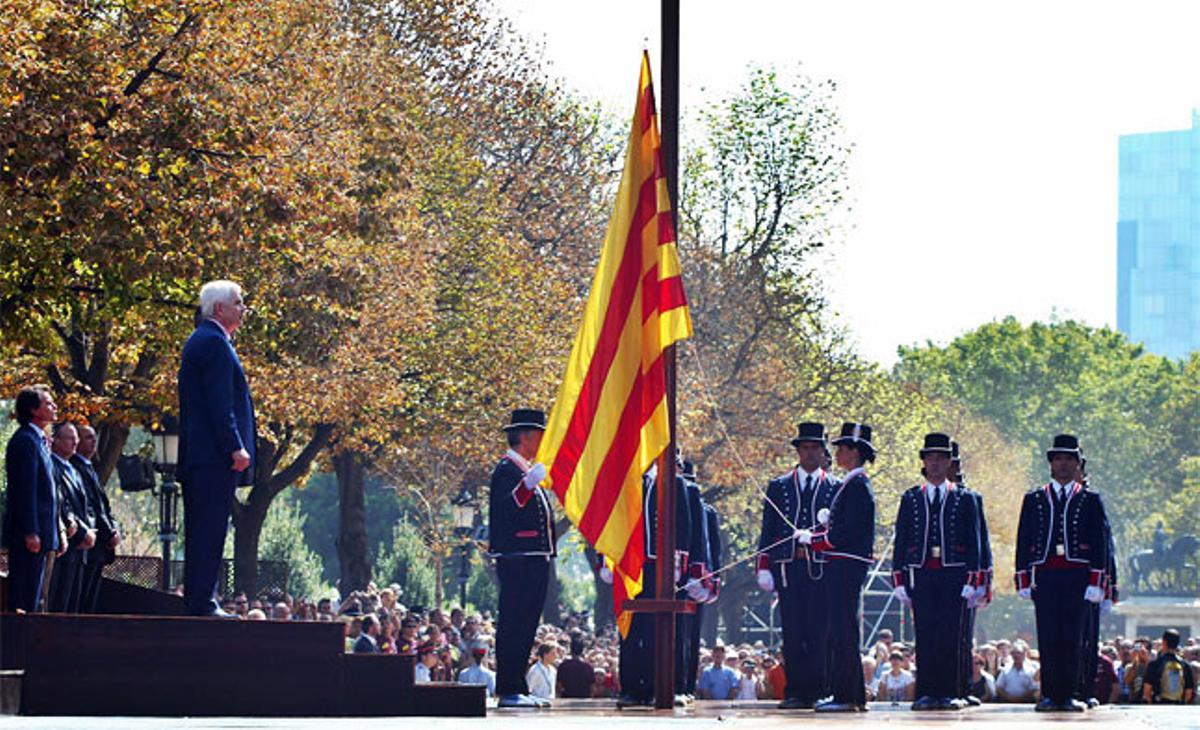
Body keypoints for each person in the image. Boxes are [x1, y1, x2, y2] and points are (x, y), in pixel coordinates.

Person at [1014, 434, 1110, 712]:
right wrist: (1022, 577)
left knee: (1072, 636)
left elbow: (1100, 544)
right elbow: (1023, 539)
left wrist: (1097, 581)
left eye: (1069, 459)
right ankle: (1050, 694)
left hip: (1077, 576)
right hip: (1045, 574)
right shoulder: (1034, 498)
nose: (1064, 464)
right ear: (1051, 464)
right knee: (1048, 636)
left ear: (1078, 463)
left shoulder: (1091, 499)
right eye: (1058, 459)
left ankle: (1068, 694)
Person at [178, 280, 256, 617]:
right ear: (219, 309)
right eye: (238, 303)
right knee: (209, 529)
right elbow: (220, 403)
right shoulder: (214, 344)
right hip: (213, 458)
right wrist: (235, 447)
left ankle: (199, 598)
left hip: (202, 456)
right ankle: (202, 602)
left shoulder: (203, 340)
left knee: (203, 529)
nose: (243, 309)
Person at [891, 433, 981, 711]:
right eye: (931, 458)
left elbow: (974, 541)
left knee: (951, 635)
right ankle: (926, 692)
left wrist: (972, 579)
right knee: (926, 634)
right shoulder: (911, 498)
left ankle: (950, 692)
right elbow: (902, 540)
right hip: (923, 574)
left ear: (949, 462)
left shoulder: (965, 498)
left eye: (941, 458)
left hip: (954, 574)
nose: (935, 463)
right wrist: (899, 579)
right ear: (924, 461)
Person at [755, 422, 840, 709]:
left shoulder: (835, 487)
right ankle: (795, 690)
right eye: (805, 447)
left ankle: (818, 689)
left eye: (815, 447)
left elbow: (839, 533)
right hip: (787, 568)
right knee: (792, 630)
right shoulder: (779, 486)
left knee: (819, 630)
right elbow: (768, 530)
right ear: (798, 451)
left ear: (823, 451)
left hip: (821, 569)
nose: (809, 453)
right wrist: (763, 565)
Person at [805, 422, 876, 713]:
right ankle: (850, 694)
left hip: (846, 565)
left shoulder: (858, 485)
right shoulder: (852, 483)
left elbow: (848, 531)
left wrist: (815, 539)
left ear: (856, 452)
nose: (838, 453)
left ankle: (846, 695)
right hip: (842, 565)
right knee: (841, 629)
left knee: (843, 630)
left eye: (844, 448)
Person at [487, 408, 556, 709]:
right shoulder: (507, 470)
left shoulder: (523, 471)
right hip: (518, 557)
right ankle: (508, 687)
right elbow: (506, 508)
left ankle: (517, 685)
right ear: (526, 437)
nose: (543, 441)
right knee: (514, 621)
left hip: (532, 558)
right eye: (540, 435)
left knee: (527, 623)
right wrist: (527, 485)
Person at [616, 459, 691, 707]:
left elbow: (683, 526)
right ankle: (630, 688)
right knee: (629, 628)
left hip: (661, 566)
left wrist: (679, 564)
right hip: (629, 566)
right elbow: (610, 522)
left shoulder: (673, 482)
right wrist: (604, 561)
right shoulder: (625, 480)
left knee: (655, 629)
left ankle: (653, 686)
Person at [3, 386, 60, 612]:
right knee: (23, 597)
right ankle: (17, 644)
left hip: (44, 533)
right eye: (48, 403)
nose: (54, 407)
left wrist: (55, 531)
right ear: (33, 410)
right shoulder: (25, 441)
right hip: (29, 536)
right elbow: (25, 491)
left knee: (36, 598)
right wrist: (31, 531)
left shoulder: (40, 442)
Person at [71, 423, 120, 613]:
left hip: (98, 547)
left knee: (90, 602)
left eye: (94, 437)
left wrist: (114, 529)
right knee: (80, 601)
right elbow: (91, 507)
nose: (94, 442)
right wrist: (108, 533)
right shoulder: (75, 468)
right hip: (87, 546)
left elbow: (104, 507)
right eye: (88, 438)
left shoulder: (90, 468)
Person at [48, 422, 97, 613]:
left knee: (73, 606)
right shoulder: (53, 466)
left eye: (76, 438)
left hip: (81, 551)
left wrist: (90, 532)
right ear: (56, 441)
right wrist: (81, 532)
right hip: (66, 546)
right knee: (58, 604)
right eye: (69, 438)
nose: (74, 442)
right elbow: (63, 503)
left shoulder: (74, 470)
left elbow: (87, 507)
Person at [1143, 629, 1195, 704]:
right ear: (1177, 644)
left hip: (1158, 707)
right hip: (1179, 708)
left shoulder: (1154, 664)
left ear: (1164, 642)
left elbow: (1147, 692)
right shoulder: (1186, 665)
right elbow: (1189, 693)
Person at [556, 632, 595, 699]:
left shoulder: (563, 666)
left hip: (566, 700)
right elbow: (592, 688)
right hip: (584, 701)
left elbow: (559, 686)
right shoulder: (588, 667)